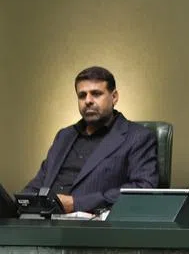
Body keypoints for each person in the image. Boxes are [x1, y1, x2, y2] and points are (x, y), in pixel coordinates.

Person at [25, 66, 159, 213]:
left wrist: (77, 204)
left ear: (114, 97)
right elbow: (39, 183)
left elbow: (143, 189)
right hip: (43, 223)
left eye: (96, 94)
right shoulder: (64, 136)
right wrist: (21, 203)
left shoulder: (137, 137)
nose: (88, 100)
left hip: (93, 227)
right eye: (82, 95)